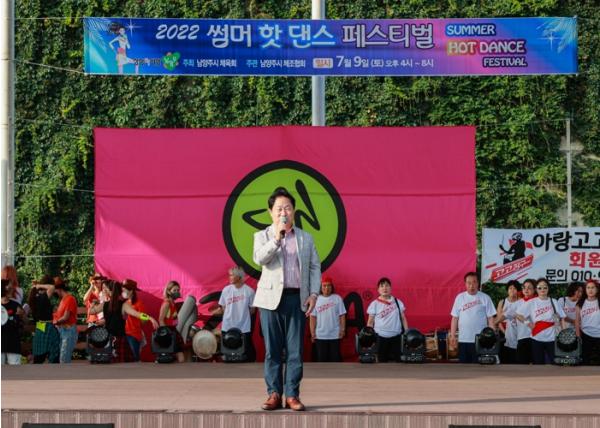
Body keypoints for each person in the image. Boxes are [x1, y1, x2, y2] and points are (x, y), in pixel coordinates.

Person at [253, 187, 321, 412]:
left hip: (296, 298)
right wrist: (277, 238)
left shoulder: (305, 238)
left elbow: (314, 267)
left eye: (288, 208)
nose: (284, 212)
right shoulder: (261, 236)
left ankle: (292, 394)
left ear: (294, 211)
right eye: (279, 209)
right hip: (270, 300)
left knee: (295, 351)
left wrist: (313, 294)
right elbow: (259, 259)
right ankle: (274, 393)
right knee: (272, 350)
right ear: (270, 212)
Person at [90, 279, 158, 362]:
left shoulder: (104, 304)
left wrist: (93, 304)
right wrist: (150, 318)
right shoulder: (124, 305)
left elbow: (91, 311)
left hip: (107, 338)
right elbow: (138, 314)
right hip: (119, 339)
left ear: (108, 291)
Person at [211, 266, 256, 362]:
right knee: (228, 353)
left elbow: (252, 310)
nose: (229, 277)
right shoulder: (226, 290)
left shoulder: (249, 291)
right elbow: (223, 307)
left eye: (232, 275)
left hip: (243, 327)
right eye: (230, 275)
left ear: (239, 277)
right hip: (227, 325)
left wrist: (242, 316)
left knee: (245, 354)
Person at [516, 278, 566, 364]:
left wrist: (564, 333)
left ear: (548, 288)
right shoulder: (532, 302)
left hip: (552, 337)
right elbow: (518, 315)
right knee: (538, 364)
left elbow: (562, 318)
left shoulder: (553, 301)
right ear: (536, 289)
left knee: (555, 363)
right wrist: (529, 324)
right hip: (536, 337)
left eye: (545, 287)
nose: (542, 289)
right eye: (540, 288)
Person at [449, 272, 496, 363]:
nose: (471, 285)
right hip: (463, 339)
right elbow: (455, 318)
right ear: (465, 284)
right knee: (463, 366)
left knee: (479, 367)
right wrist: (452, 336)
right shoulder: (460, 298)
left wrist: (492, 336)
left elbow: (490, 318)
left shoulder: (485, 298)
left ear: (478, 283)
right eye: (469, 283)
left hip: (480, 340)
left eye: (474, 282)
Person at [366, 277, 407, 363]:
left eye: (387, 286)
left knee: (399, 362)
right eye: (382, 286)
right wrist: (370, 337)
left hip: (396, 337)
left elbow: (403, 318)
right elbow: (370, 322)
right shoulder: (374, 304)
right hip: (380, 337)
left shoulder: (397, 302)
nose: (385, 288)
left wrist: (407, 332)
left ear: (390, 288)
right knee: (381, 363)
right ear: (378, 290)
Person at [310, 276, 347, 362]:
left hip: (335, 335)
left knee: (335, 361)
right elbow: (312, 318)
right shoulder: (316, 299)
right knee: (321, 361)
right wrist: (312, 333)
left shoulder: (337, 298)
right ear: (321, 287)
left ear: (332, 287)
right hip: (320, 336)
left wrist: (342, 330)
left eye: (329, 285)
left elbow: (342, 315)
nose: (327, 288)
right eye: (324, 285)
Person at [28, 275, 60, 364]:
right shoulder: (43, 296)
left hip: (39, 326)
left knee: (39, 354)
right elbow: (52, 287)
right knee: (54, 353)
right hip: (47, 326)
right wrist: (38, 285)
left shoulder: (35, 297)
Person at [51, 277, 79, 364]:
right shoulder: (63, 300)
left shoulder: (70, 299)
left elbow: (66, 317)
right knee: (62, 357)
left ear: (59, 289)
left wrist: (56, 322)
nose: (54, 293)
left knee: (64, 358)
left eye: (55, 290)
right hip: (63, 331)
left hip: (68, 331)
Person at [158, 280, 185, 363]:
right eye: (174, 290)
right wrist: (165, 335)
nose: (177, 292)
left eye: (178, 290)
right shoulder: (167, 303)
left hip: (173, 331)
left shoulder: (173, 303)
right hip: (168, 331)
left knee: (180, 358)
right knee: (175, 358)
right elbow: (160, 319)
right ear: (168, 291)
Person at [495, 280, 521, 364]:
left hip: (517, 332)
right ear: (507, 290)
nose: (512, 290)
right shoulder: (502, 302)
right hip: (504, 332)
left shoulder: (521, 301)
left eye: (514, 288)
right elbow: (498, 319)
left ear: (518, 290)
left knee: (517, 357)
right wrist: (504, 331)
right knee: (505, 358)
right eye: (510, 288)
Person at [575, 279, 600, 365]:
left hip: (599, 334)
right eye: (588, 288)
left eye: (593, 287)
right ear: (585, 290)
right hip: (586, 334)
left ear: (597, 289)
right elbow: (577, 321)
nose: (590, 290)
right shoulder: (580, 303)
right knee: (585, 360)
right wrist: (578, 337)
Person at [122, 279, 147, 362]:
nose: (123, 292)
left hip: (133, 334)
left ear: (131, 291)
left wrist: (141, 318)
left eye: (124, 290)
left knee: (135, 358)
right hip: (124, 333)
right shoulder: (124, 303)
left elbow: (144, 320)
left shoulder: (139, 303)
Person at [1, 279, 24, 365]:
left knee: (16, 370)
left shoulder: (16, 305)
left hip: (13, 344)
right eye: (9, 287)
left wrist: (20, 315)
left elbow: (22, 323)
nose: (12, 289)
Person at [514, 279, 536, 364]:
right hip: (522, 337)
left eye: (529, 288)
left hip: (535, 337)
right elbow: (510, 315)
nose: (526, 290)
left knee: (536, 365)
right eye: (524, 287)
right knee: (522, 365)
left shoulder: (537, 302)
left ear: (534, 289)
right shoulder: (518, 303)